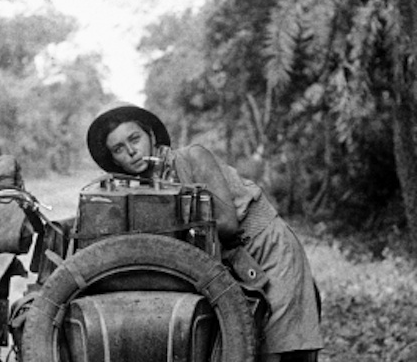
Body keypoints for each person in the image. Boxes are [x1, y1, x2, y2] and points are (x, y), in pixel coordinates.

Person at [86, 103, 323, 362]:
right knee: (242, 342)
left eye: (135, 139)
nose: (131, 152)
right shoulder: (142, 188)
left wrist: (162, 232)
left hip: (265, 247)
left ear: (151, 136)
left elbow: (227, 223)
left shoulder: (192, 158)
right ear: (113, 159)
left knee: (277, 346)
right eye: (119, 149)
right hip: (228, 259)